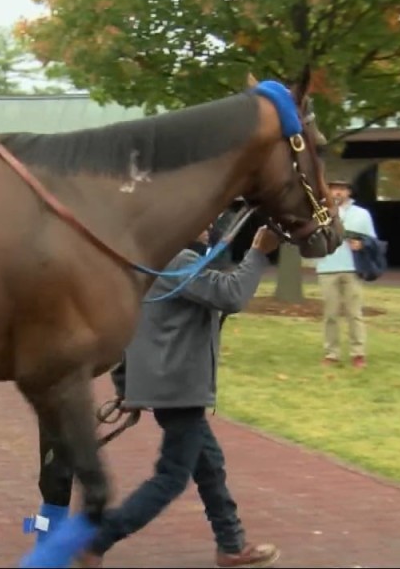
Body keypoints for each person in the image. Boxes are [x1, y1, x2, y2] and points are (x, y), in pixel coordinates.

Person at [78, 225, 282, 569]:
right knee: (172, 476)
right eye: (203, 220)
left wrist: (126, 385)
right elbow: (231, 295)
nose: (209, 226)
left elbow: (132, 326)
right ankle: (98, 539)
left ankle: (231, 545)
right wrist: (259, 252)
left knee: (210, 465)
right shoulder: (179, 260)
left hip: (172, 386)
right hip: (179, 389)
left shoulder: (150, 259)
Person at [313, 179, 376, 368]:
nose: (337, 193)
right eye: (334, 189)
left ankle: (358, 353)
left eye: (341, 189)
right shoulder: (320, 213)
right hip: (327, 268)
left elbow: (373, 241)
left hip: (352, 269)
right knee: (330, 314)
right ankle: (331, 353)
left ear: (348, 192)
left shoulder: (362, 214)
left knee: (354, 313)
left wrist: (362, 244)